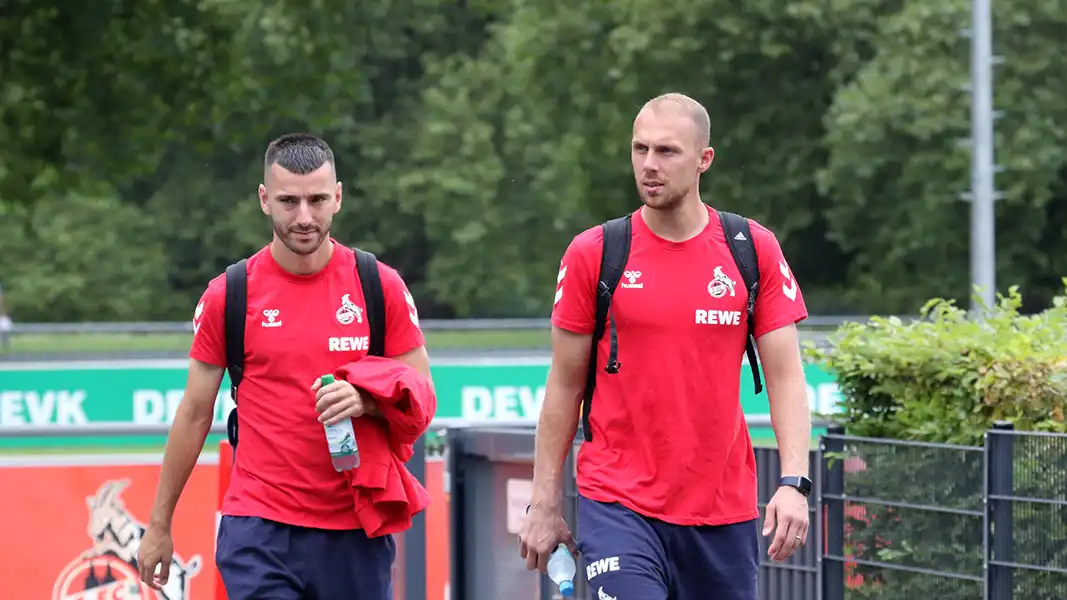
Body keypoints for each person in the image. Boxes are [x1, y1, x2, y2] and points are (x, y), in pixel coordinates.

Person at [518, 93, 813, 600]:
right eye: (640, 149)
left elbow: (786, 376)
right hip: (618, 505)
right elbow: (564, 386)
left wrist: (794, 482)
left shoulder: (751, 249)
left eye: (667, 152)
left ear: (704, 160)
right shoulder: (596, 253)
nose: (649, 165)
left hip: (722, 511)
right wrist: (543, 502)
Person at [137, 133, 434, 600]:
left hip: (356, 530)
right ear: (263, 199)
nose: (303, 217)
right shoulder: (229, 294)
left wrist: (367, 402)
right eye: (288, 201)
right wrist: (159, 524)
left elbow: (422, 396)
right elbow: (195, 413)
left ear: (337, 197)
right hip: (259, 530)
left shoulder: (380, 285)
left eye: (317, 200)